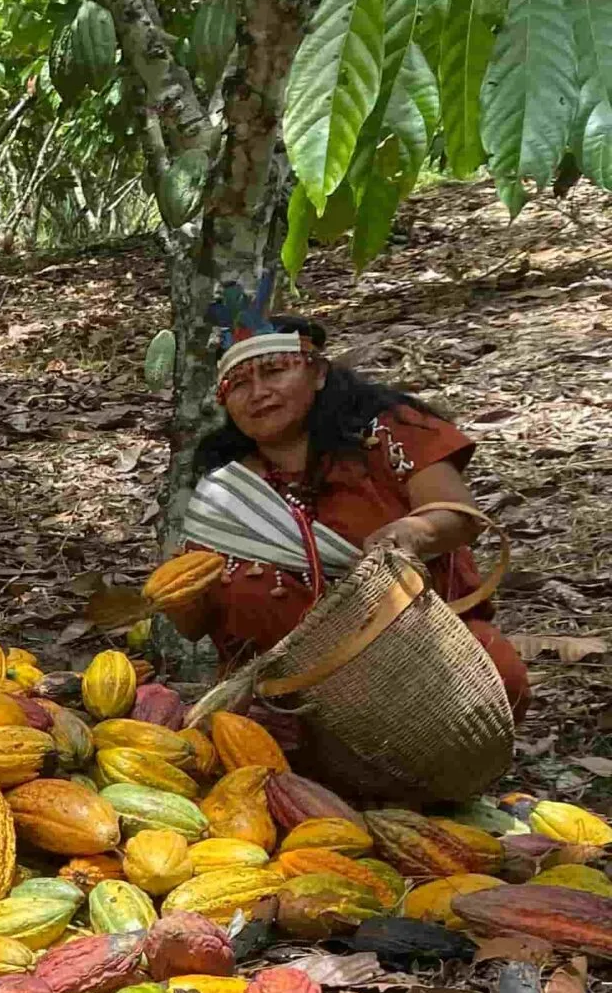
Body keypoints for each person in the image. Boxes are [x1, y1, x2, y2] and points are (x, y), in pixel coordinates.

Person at [162, 298, 529, 720]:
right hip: (287, 693)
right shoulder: (226, 493)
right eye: (239, 384)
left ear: (318, 374)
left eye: (275, 370)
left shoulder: (386, 433)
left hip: (419, 657)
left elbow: (460, 516)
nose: (259, 393)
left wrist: (413, 533)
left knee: (497, 675)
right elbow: (193, 627)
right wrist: (175, 596)